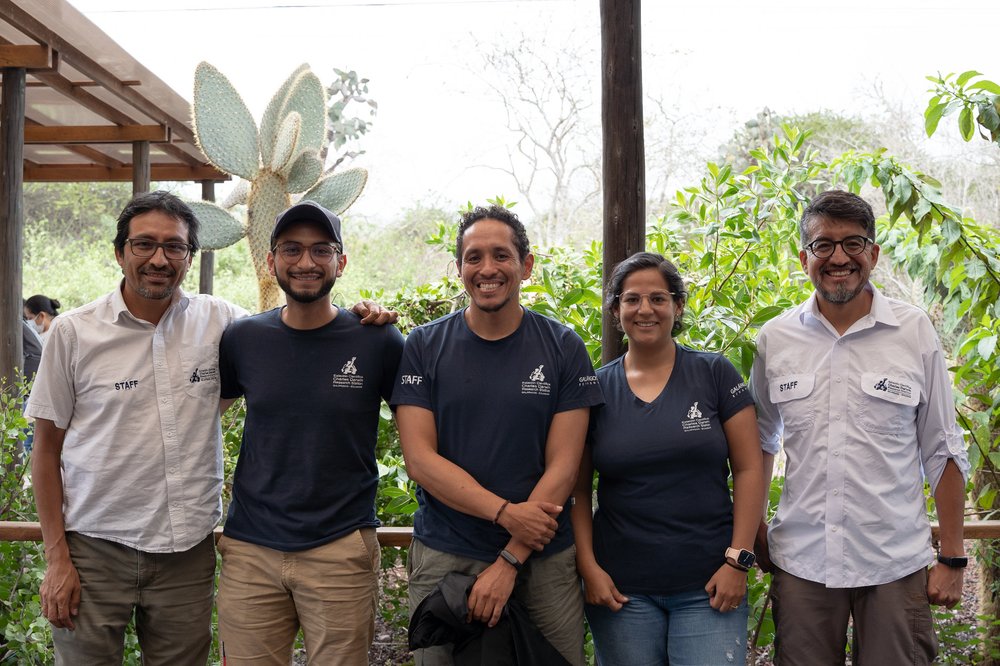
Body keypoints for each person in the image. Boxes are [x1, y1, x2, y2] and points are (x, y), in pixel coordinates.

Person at [26, 191, 394, 664]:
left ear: (189, 257)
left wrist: (365, 314)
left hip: (186, 552)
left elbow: (297, 330)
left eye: (174, 247)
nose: (159, 258)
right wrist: (57, 558)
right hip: (95, 551)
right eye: (144, 245)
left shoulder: (224, 323)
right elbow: (45, 450)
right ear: (120, 252)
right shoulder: (73, 333)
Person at [750, 189, 969, 665]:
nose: (838, 258)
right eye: (823, 244)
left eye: (853, 243)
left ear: (873, 253)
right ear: (803, 256)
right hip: (803, 561)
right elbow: (761, 441)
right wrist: (754, 526)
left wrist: (952, 556)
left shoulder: (914, 331)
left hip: (893, 562)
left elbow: (943, 447)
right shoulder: (775, 338)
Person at [392, 204, 604, 666]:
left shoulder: (562, 346)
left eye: (501, 255)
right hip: (446, 551)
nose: (487, 269)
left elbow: (565, 466)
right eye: (474, 257)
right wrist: (506, 514)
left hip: (543, 555)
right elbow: (421, 460)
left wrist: (511, 558)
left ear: (526, 265)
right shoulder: (424, 346)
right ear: (459, 269)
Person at [215, 201, 404, 664]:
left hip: (340, 547)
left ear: (341, 261)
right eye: (292, 249)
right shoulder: (242, 339)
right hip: (251, 548)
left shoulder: (377, 339)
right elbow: (202, 417)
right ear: (271, 260)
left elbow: (421, 429)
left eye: (321, 250)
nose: (305, 262)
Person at [571, 252, 764, 665]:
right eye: (632, 299)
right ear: (615, 309)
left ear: (678, 307)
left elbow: (750, 469)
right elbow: (577, 491)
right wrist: (589, 568)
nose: (645, 309)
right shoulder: (596, 389)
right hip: (621, 591)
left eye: (658, 298)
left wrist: (738, 560)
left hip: (709, 586)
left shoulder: (715, 373)